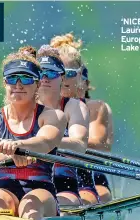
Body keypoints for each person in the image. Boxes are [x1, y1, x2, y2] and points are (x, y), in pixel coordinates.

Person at [0, 52, 67, 220]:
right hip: (1, 189)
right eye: (12, 79)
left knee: (30, 204)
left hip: (40, 192)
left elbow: (45, 142)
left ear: (37, 84)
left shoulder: (54, 116)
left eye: (26, 79)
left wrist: (20, 147)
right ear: (4, 83)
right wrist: (15, 153)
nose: (18, 85)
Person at [50, 32, 111, 204]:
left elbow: (99, 144)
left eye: (68, 73)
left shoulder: (94, 108)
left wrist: (49, 141)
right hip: (46, 176)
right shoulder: (36, 106)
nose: (62, 78)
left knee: (101, 195)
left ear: (80, 75)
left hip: (84, 174)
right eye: (56, 73)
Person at [32, 44, 90, 207]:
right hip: (28, 180)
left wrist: (43, 142)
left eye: (51, 73)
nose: (45, 78)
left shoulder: (74, 107)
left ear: (62, 78)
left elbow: (79, 146)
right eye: (41, 73)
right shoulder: (23, 105)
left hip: (64, 183)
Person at [78, 64, 113, 203]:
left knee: (101, 195)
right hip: (54, 172)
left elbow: (99, 145)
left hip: (92, 172)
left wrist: (53, 141)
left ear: (86, 84)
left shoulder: (97, 108)